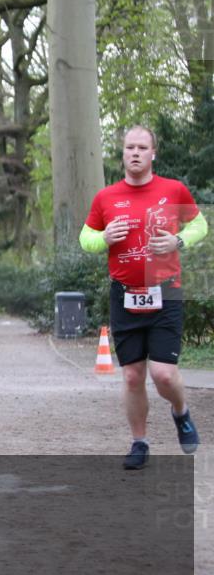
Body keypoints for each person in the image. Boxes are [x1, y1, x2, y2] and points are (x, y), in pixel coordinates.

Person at [80, 125, 208, 470]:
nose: (135, 153)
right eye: (129, 148)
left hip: (166, 292)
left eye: (141, 147)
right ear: (122, 153)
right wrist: (104, 237)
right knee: (132, 376)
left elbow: (200, 225)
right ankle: (139, 442)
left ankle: (180, 412)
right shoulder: (106, 197)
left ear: (153, 153)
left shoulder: (173, 189)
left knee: (164, 374)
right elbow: (85, 239)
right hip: (125, 296)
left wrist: (178, 241)